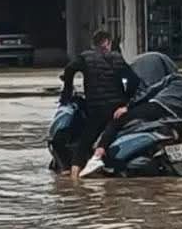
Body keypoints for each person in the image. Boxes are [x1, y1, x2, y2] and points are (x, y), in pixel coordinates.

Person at [51, 30, 140, 174]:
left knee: (83, 144)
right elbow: (134, 80)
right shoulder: (117, 58)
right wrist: (126, 101)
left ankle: (74, 183)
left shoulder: (85, 58)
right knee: (109, 130)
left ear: (93, 44)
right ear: (109, 43)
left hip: (97, 109)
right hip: (117, 108)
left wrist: (67, 90)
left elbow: (69, 69)